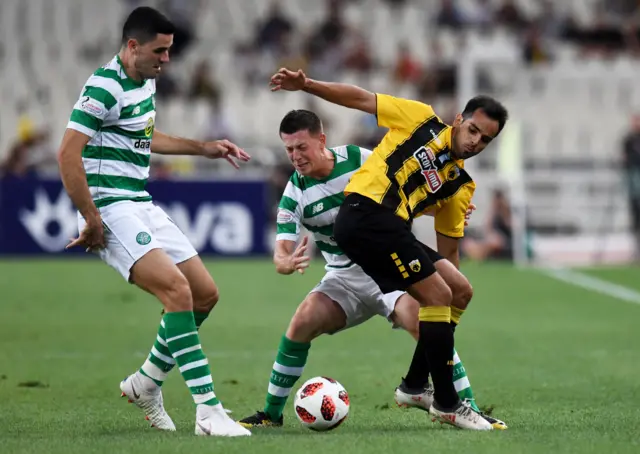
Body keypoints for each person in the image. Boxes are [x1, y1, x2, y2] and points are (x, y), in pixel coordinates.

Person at [269, 68, 509, 430]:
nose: (475, 141)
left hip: (390, 235)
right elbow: (361, 97)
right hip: (364, 217)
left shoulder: (460, 186)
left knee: (458, 291)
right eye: (473, 130)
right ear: (458, 120)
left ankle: (416, 386)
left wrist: (450, 286)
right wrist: (308, 85)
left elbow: (450, 254)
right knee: (438, 295)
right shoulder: (420, 119)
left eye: (485, 139)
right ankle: (448, 404)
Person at [57, 7, 251, 437]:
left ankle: (146, 382)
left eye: (169, 51)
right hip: (110, 207)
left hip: (139, 201)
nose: (166, 60)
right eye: (159, 51)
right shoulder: (105, 86)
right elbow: (68, 152)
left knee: (204, 295)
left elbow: (145, 136)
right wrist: (91, 217)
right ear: (132, 47)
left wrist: (204, 149)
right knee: (177, 291)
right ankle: (208, 411)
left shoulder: (144, 83)